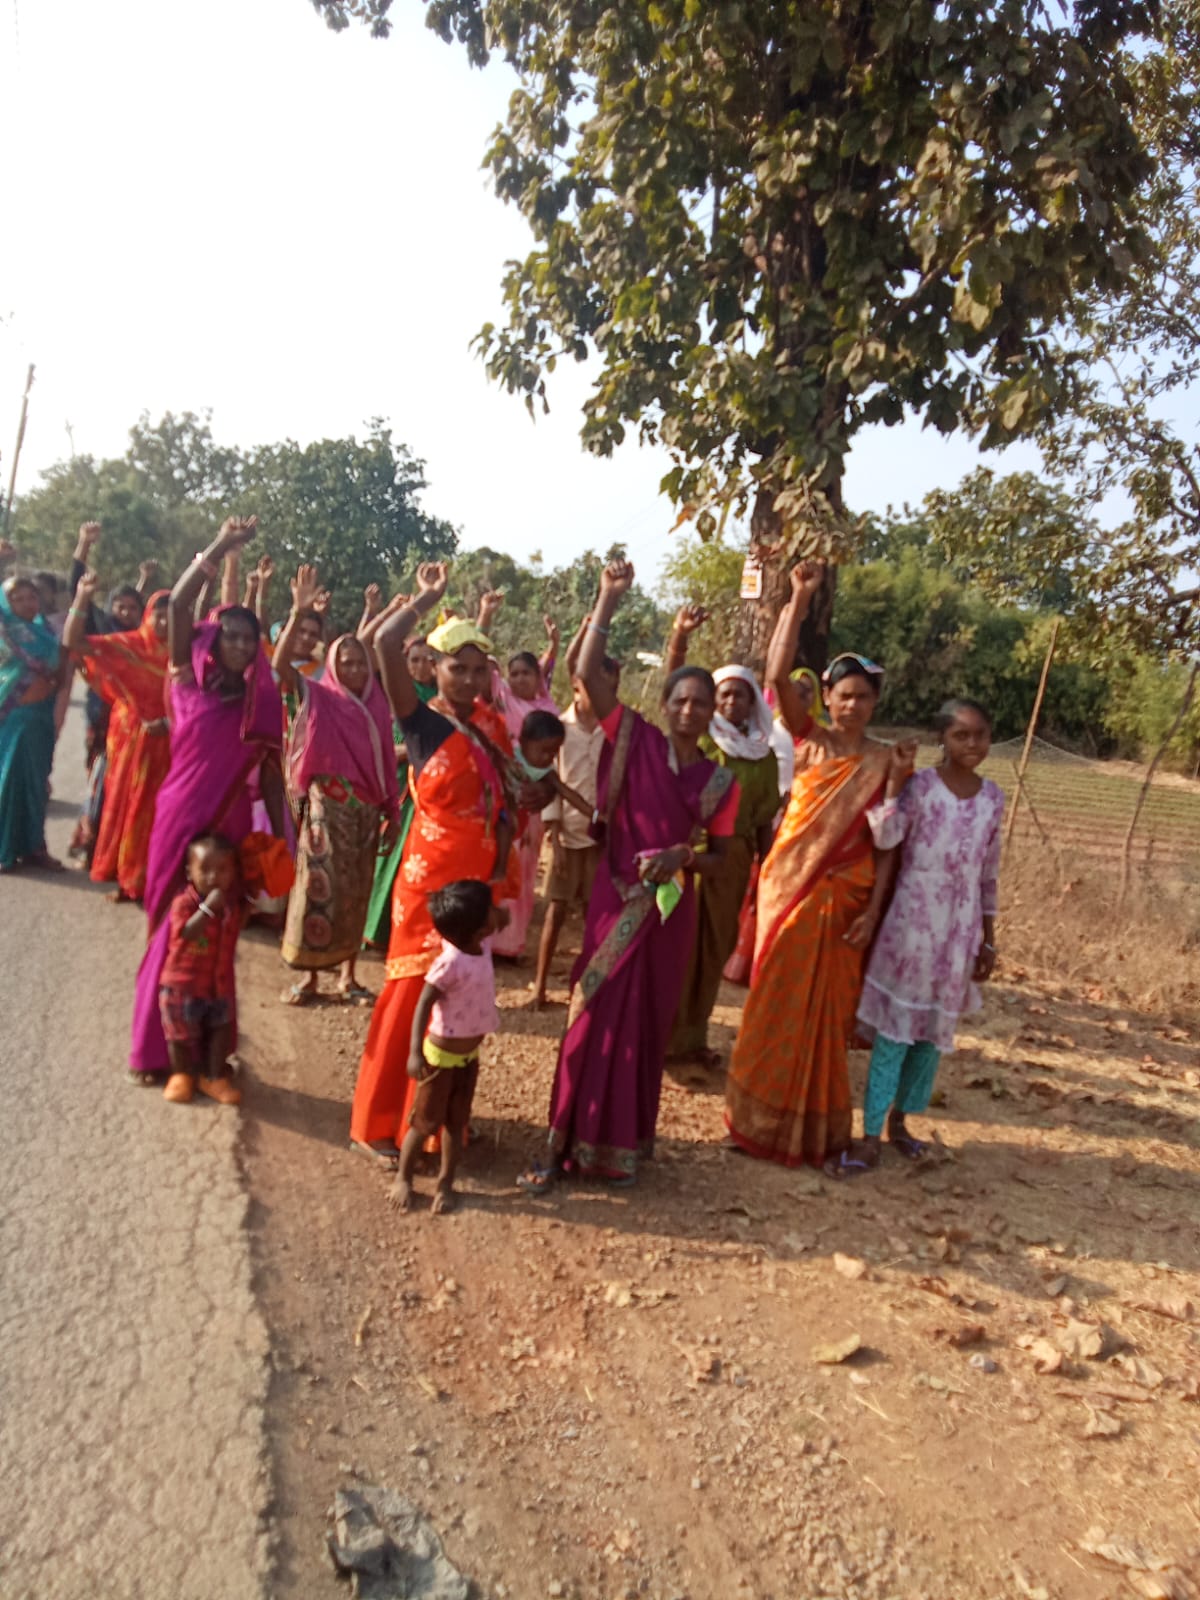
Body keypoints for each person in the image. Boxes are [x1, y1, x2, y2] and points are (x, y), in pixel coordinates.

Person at [518, 560, 740, 1193]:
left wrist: (684, 857)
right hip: (614, 902)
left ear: (713, 714)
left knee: (643, 1028)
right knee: (589, 1017)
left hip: (667, 915)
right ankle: (562, 1142)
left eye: (701, 703)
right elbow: (587, 671)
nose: (690, 709)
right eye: (681, 700)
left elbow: (723, 859)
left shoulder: (719, 782)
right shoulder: (633, 737)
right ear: (664, 705)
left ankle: (620, 1149)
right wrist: (607, 599)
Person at [724, 562, 914, 1170]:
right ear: (826, 699)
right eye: (843, 695)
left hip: (847, 900)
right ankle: (753, 1121)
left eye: (863, 696)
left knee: (828, 1019)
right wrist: (798, 601)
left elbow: (888, 846)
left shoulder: (887, 763)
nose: (852, 705)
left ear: (875, 702)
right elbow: (776, 674)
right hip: (789, 892)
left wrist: (873, 914)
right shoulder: (809, 742)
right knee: (772, 1004)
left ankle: (816, 1131)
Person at [349, 562, 525, 1167]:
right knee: (411, 993)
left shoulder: (492, 726)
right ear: (436, 667)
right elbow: (384, 642)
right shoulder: (421, 720)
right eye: (457, 667)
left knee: (460, 1002)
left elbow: (504, 806)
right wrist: (427, 598)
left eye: (479, 669)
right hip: (428, 881)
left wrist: (500, 881)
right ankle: (378, 1122)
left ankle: (433, 1124)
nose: (469, 678)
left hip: (477, 881)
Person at [129, 518, 287, 1081]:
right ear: (214, 638)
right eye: (232, 635)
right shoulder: (184, 677)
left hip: (231, 828)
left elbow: (272, 777)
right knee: (168, 930)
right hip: (177, 819)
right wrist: (220, 546)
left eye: (249, 638)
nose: (241, 644)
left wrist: (285, 841)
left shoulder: (261, 703)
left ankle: (208, 1054)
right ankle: (154, 1053)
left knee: (218, 934)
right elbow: (178, 604)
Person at [843, 698, 1004, 1171]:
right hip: (911, 927)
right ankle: (869, 1134)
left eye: (980, 734)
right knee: (895, 1032)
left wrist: (988, 937)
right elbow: (887, 838)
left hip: (959, 934)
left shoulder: (993, 798)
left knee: (930, 1038)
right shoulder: (923, 787)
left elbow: (988, 873)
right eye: (961, 735)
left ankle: (901, 1122)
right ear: (943, 740)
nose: (972, 744)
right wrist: (896, 782)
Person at [661, 611, 782, 1067]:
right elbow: (674, 684)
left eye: (740, 695)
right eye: (724, 694)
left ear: (752, 703)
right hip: (688, 854)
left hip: (732, 862)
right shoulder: (701, 742)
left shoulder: (763, 757)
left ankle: (692, 1037)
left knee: (714, 946)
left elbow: (764, 819)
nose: (732, 702)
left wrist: (765, 875)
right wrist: (680, 638)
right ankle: (662, 1034)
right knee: (678, 943)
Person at [275, 564, 401, 1004]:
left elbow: (386, 762)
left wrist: (391, 811)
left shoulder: (377, 706)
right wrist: (298, 612)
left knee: (355, 893)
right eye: (346, 663)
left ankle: (348, 976)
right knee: (316, 888)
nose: (354, 670)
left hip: (366, 810)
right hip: (325, 809)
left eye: (361, 663)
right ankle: (309, 977)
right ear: (333, 665)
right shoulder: (320, 696)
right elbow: (279, 668)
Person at [389, 879, 506, 1214]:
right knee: (424, 1122)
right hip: (439, 1059)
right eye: (490, 911)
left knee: (457, 1123)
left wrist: (495, 909)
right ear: (479, 927)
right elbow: (424, 1003)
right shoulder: (450, 963)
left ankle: (446, 1183)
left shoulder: (482, 944)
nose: (496, 914)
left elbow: (504, 918)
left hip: (468, 1057)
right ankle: (403, 1178)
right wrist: (415, 1052)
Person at [62, 576, 172, 901]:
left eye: (172, 616)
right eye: (158, 615)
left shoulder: (184, 654)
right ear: (148, 615)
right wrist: (82, 598)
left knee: (154, 809)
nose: (164, 623)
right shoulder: (128, 644)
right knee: (124, 802)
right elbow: (73, 642)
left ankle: (145, 875)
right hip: (128, 737)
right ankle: (124, 873)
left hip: (167, 739)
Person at [532, 625, 617, 1008]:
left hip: (599, 837)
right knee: (557, 909)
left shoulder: (613, 734)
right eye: (591, 687)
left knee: (593, 914)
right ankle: (539, 986)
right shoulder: (561, 729)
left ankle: (584, 987)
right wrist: (553, 833)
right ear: (577, 687)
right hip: (566, 836)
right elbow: (550, 779)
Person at [477, 592, 561, 962]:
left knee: (525, 866)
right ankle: (487, 937)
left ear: (539, 677)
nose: (520, 678)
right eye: (514, 673)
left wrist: (554, 646)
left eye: (528, 672)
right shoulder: (502, 700)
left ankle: (512, 942)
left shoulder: (547, 709)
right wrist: (485, 617)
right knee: (495, 860)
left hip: (533, 799)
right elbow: (478, 666)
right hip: (499, 793)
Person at [363, 622, 438, 951]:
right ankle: (374, 927)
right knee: (387, 854)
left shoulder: (441, 699)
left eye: (428, 660)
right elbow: (383, 747)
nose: (421, 666)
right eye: (414, 659)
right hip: (395, 787)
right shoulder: (395, 695)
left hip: (429, 791)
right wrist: (413, 750)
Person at [158, 834, 246, 1106]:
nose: (213, 877)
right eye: (205, 870)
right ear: (189, 872)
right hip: (182, 986)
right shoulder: (185, 903)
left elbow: (238, 926)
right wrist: (207, 908)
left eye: (222, 870)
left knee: (220, 1030)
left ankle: (213, 1077)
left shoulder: (230, 905)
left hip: (217, 986)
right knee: (180, 1036)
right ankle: (182, 1075)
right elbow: (186, 932)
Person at [0, 575, 65, 872]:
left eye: (32, 597)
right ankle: (5, 848)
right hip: (14, 716)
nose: (27, 603)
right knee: (10, 781)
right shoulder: (6, 632)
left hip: (41, 716)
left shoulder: (46, 632)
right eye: (18, 599)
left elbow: (60, 670)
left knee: (37, 785)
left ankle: (34, 847)